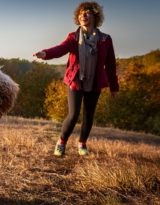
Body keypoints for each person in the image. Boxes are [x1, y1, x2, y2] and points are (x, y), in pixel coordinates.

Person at [33, 1, 119, 156]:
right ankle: (61, 142)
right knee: (73, 115)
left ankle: (82, 144)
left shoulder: (105, 39)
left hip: (95, 82)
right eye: (80, 14)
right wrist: (46, 53)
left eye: (86, 13)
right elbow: (61, 48)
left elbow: (111, 64)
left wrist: (114, 87)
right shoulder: (73, 37)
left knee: (88, 115)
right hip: (76, 80)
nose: (83, 16)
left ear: (95, 16)